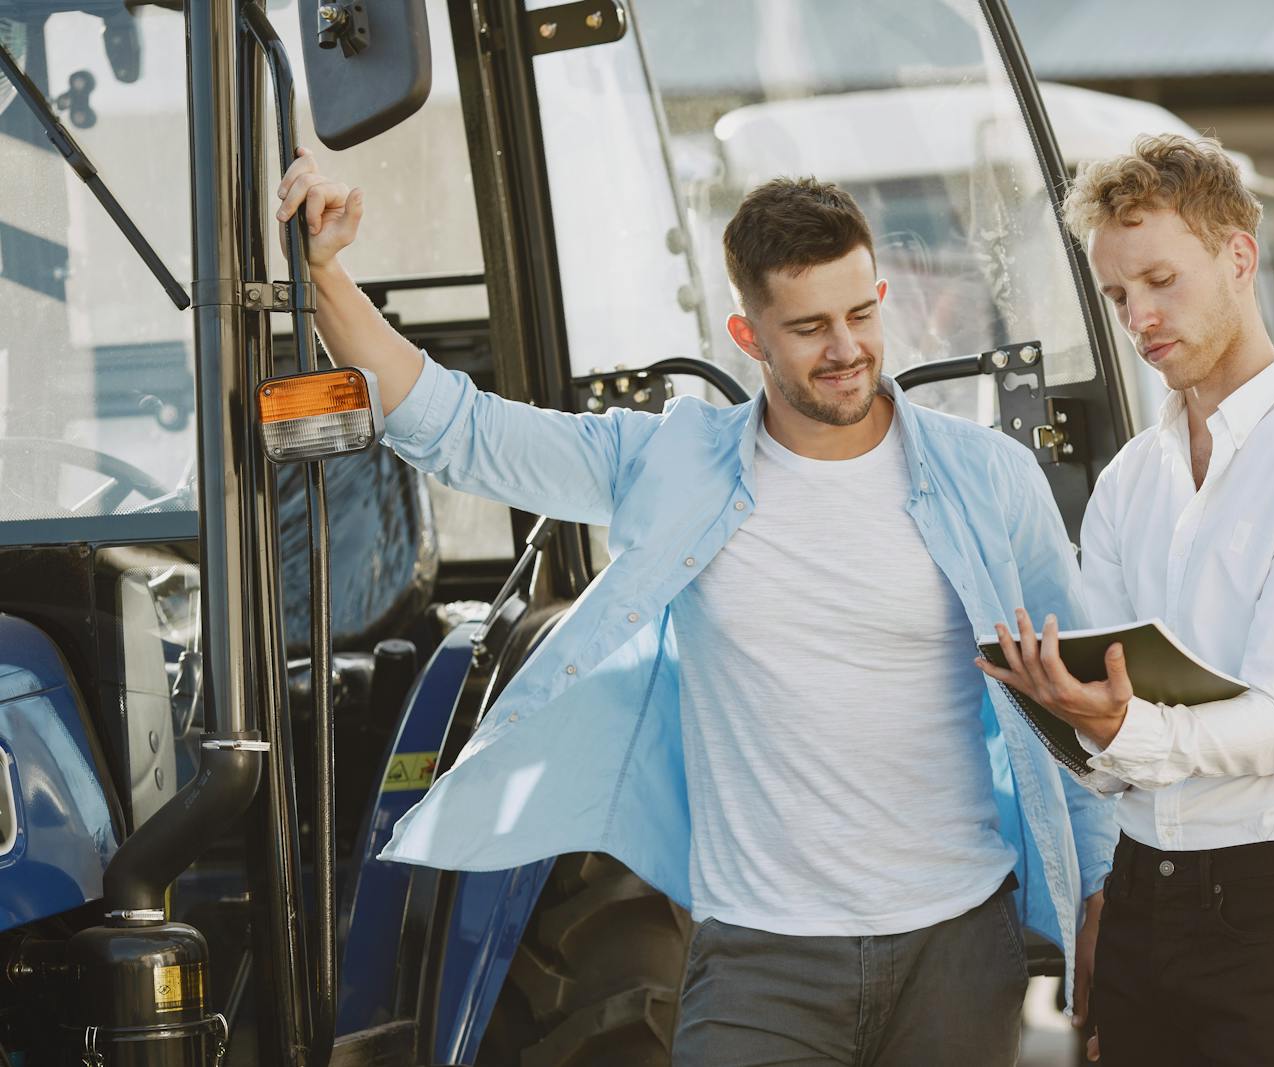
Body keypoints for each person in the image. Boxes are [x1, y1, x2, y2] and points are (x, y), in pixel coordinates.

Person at [274, 149, 1116, 1066]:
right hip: (759, 958)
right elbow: (461, 429)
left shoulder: (987, 477)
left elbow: (1071, 695)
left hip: (956, 947)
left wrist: (1104, 897)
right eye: (808, 328)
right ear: (748, 336)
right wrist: (323, 277)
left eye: (861, 314)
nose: (847, 350)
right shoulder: (673, 463)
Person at [977, 133, 1274, 1066]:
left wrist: (1116, 725)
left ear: (1238, 257)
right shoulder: (1131, 481)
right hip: (1140, 900)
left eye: (1160, 281)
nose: (1139, 317)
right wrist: (1099, 871)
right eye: (1116, 295)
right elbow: (1107, 737)